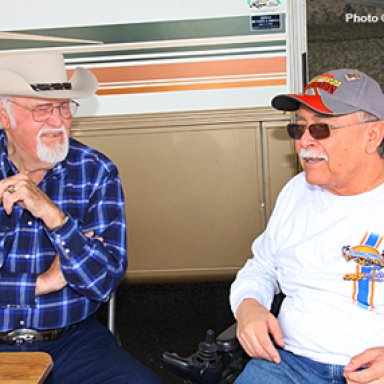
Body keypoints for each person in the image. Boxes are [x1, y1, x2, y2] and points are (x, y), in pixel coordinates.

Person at [0, 52, 163, 384]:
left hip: (70, 340)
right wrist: (42, 283)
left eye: (64, 107)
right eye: (42, 109)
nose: (57, 121)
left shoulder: (95, 170)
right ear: (3, 115)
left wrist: (55, 217)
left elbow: (101, 281)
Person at [230, 69, 384, 384]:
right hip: (287, 363)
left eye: (321, 128)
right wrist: (248, 306)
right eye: (298, 128)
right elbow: (262, 266)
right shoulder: (297, 191)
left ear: (373, 135)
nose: (304, 143)